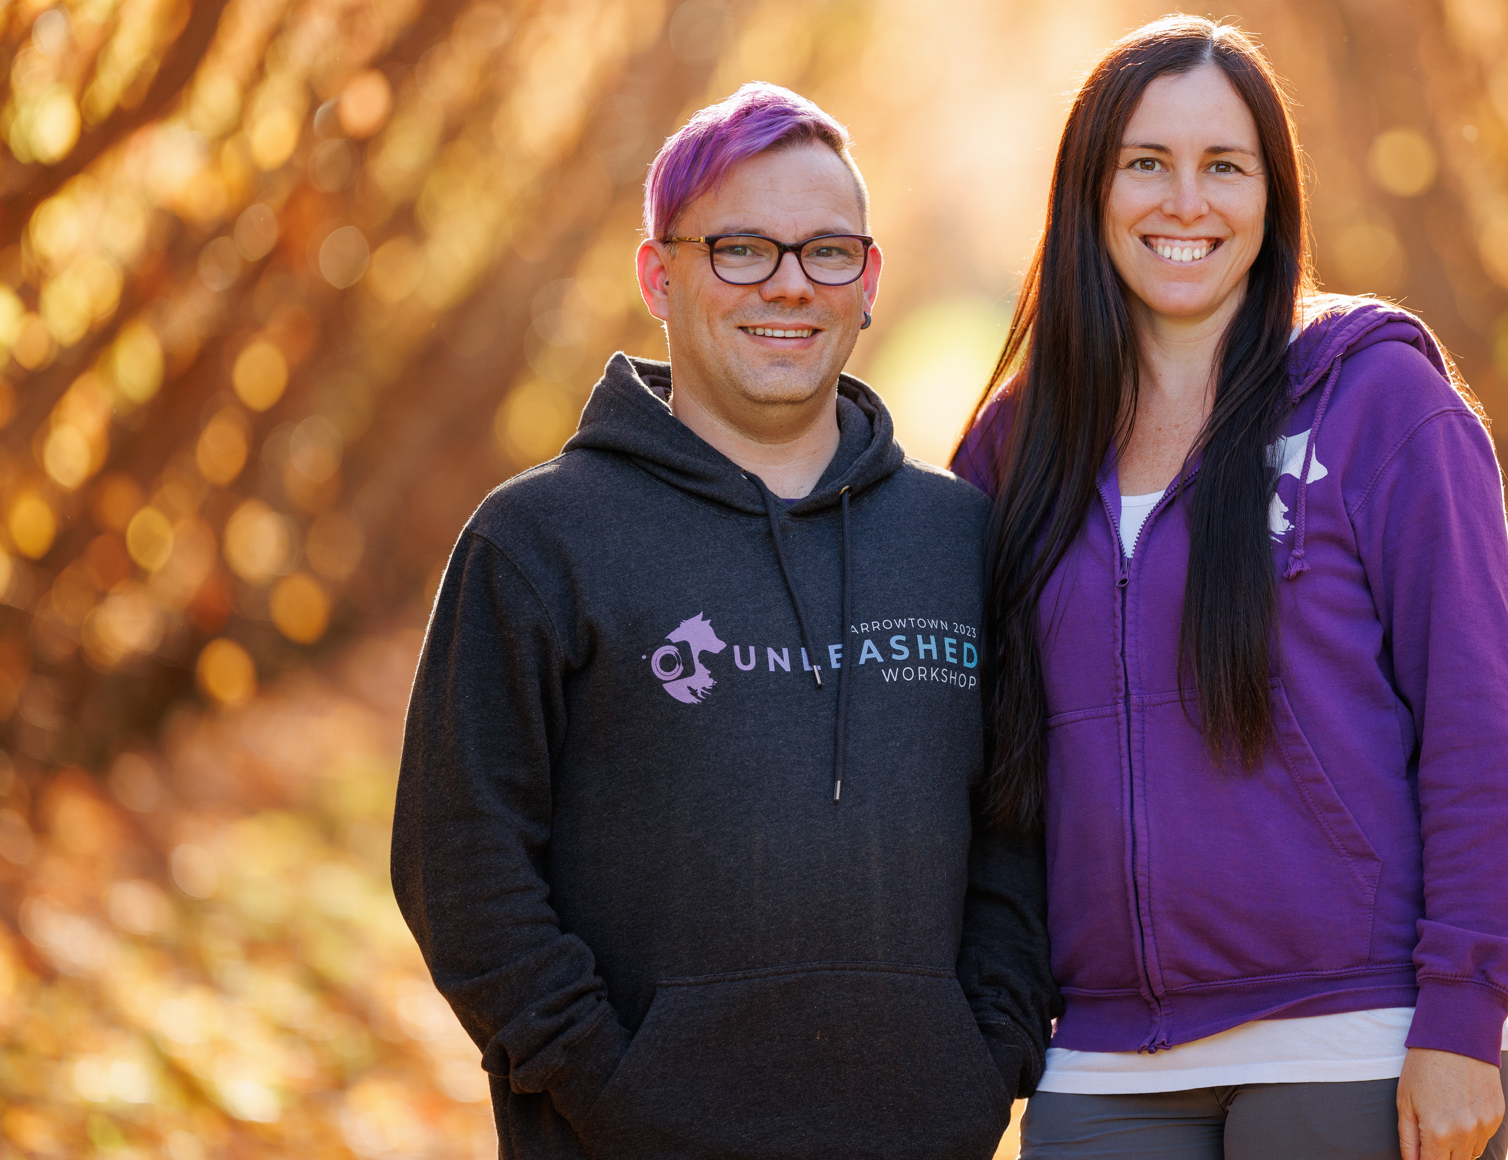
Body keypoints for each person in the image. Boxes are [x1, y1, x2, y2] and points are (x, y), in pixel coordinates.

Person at [394, 82, 1057, 1160]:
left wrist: (981, 1068)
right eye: (740, 249)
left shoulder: (961, 541)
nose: (788, 284)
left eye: (826, 252)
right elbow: (458, 867)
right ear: (659, 275)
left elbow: (1018, 840)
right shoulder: (537, 542)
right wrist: (612, 1087)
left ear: (868, 282)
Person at [952, 18, 1508, 1160]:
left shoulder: (1378, 403)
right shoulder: (1014, 449)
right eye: (1146, 162)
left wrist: (1465, 1015)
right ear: (1090, 190)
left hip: (1354, 1039)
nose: (1187, 202)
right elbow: (974, 765)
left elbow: (1476, 724)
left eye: (1224, 166)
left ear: (1272, 196)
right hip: (1102, 1059)